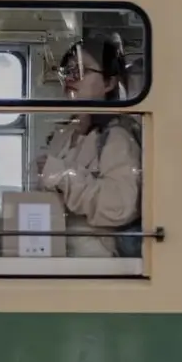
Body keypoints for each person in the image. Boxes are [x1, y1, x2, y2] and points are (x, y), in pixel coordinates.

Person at [37, 36, 141, 258]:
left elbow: (119, 207)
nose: (71, 76)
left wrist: (61, 175)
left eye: (82, 70)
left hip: (97, 263)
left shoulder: (117, 137)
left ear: (109, 83)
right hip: (58, 256)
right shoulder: (62, 135)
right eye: (68, 69)